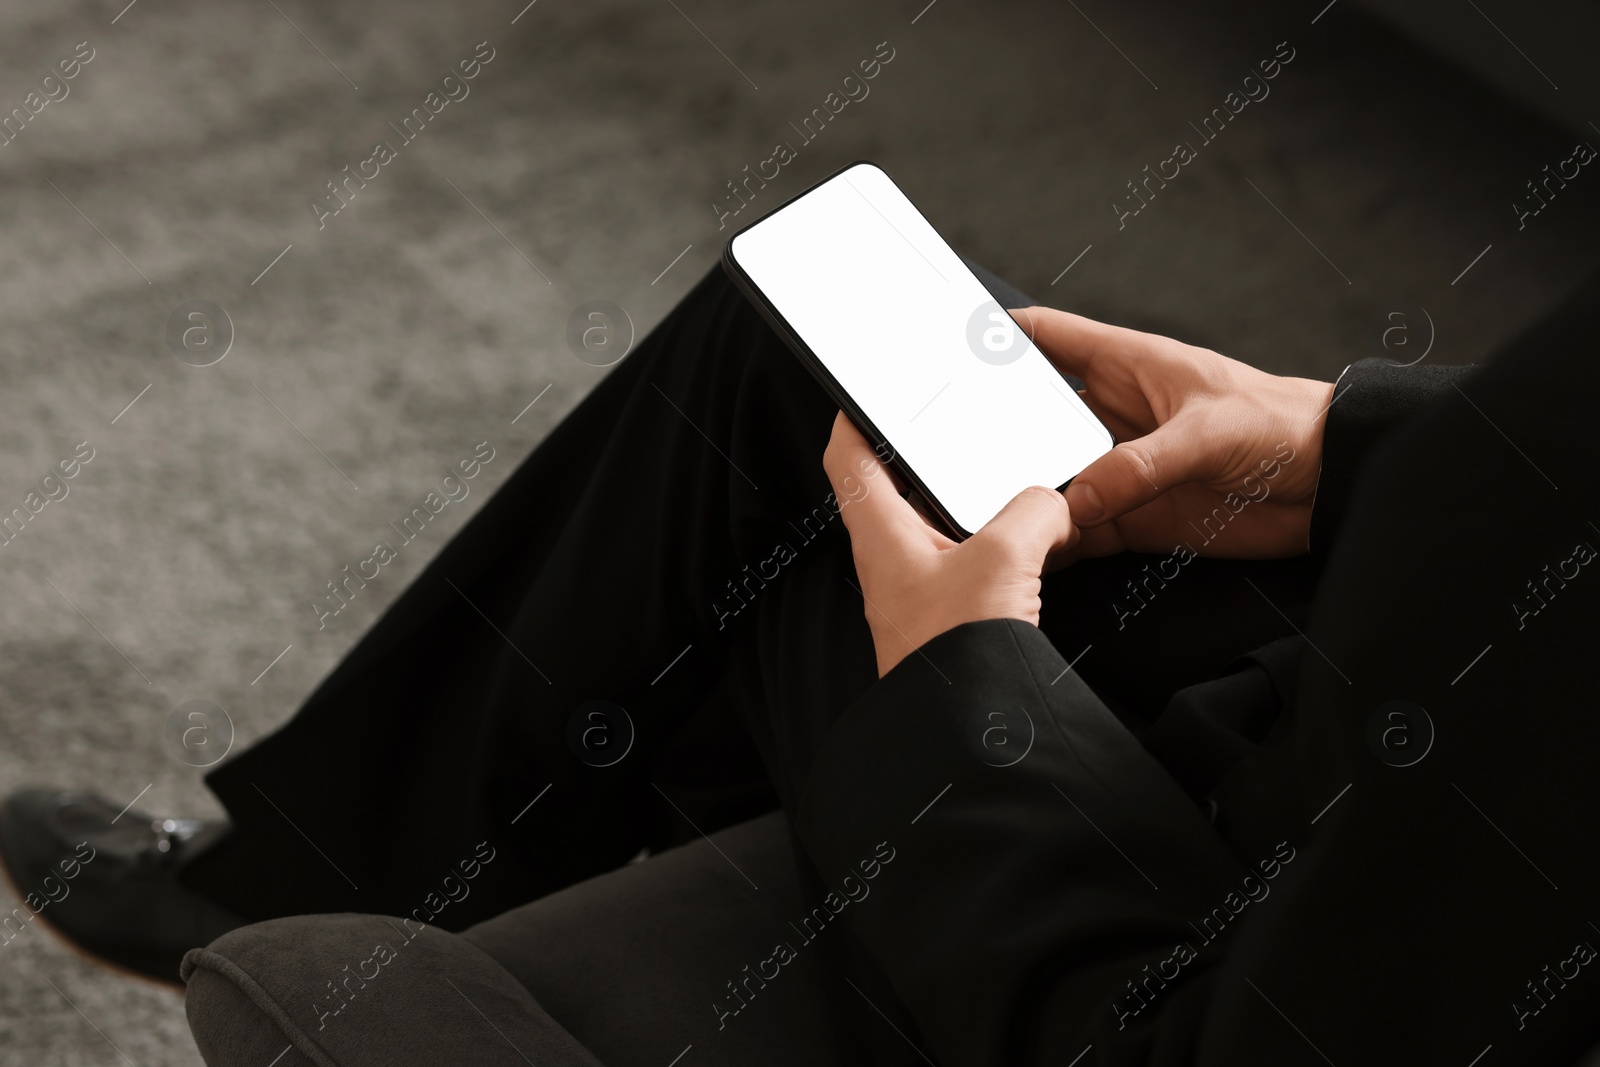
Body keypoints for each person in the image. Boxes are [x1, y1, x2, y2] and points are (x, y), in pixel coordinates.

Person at [3, 258, 1597, 1066]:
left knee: (831, 500)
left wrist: (965, 687)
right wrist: (1349, 440)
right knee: (815, 339)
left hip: (1240, 911)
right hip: (1369, 675)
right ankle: (318, 867)